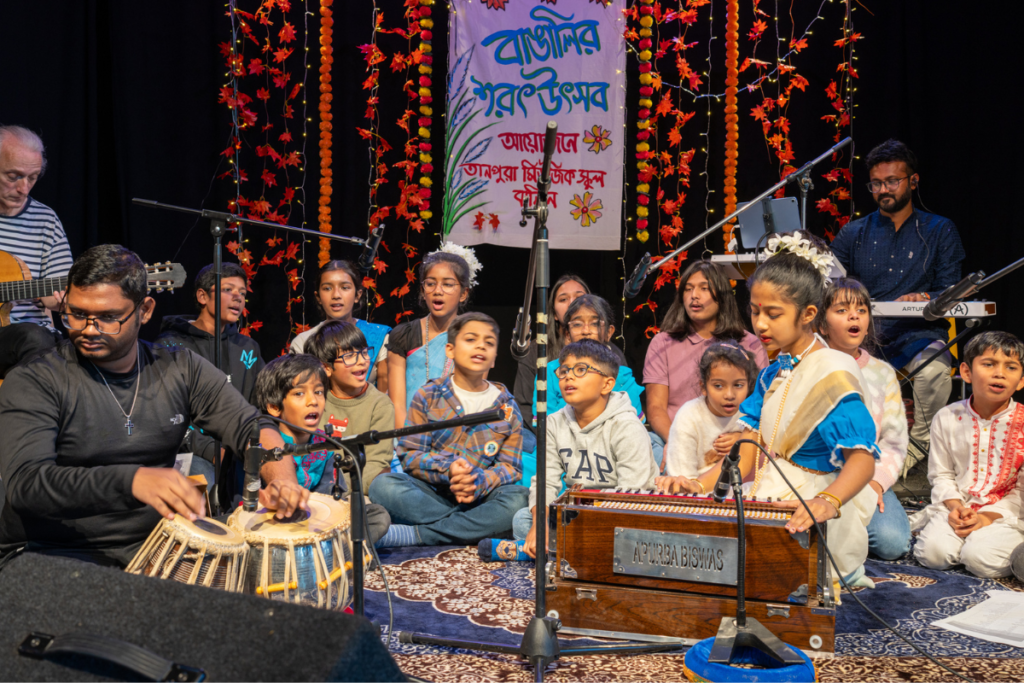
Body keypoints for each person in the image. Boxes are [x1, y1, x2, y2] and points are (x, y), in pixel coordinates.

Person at [0, 245, 306, 568]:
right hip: (49, 550)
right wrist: (133, 481)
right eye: (76, 314)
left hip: (153, 547)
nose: (89, 329)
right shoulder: (36, 378)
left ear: (145, 311)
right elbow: (27, 483)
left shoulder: (180, 368)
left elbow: (250, 426)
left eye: (108, 318)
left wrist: (283, 481)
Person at [657, 231, 879, 587]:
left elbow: (863, 460)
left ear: (808, 314)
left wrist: (827, 501)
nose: (759, 324)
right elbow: (745, 458)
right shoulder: (773, 373)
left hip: (811, 505)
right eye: (755, 311)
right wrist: (697, 485)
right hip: (771, 492)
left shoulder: (832, 371)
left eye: (773, 314)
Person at [830, 140, 966, 468]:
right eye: (876, 184)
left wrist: (927, 298)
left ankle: (916, 449)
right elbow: (830, 283)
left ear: (913, 181)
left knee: (934, 371)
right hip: (863, 333)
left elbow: (952, 289)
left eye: (892, 181)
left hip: (918, 332)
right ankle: (853, 448)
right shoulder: (854, 232)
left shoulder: (939, 229)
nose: (883, 190)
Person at [370, 312, 529, 546]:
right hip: (432, 493)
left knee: (519, 500)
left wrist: (478, 480)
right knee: (382, 486)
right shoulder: (428, 395)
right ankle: (469, 527)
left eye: (489, 343)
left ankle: (417, 535)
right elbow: (410, 455)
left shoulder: (506, 406)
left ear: (494, 358)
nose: (480, 347)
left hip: (480, 496)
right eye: (471, 339)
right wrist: (450, 470)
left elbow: (510, 467)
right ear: (450, 350)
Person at [515, 339, 659, 558]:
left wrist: (584, 523)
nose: (568, 377)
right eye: (563, 372)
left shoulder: (627, 426)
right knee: (523, 520)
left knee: (638, 537)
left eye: (581, 370)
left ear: (607, 384)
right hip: (578, 513)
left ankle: (564, 551)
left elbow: (631, 493)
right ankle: (576, 550)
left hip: (625, 514)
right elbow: (546, 482)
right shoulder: (554, 423)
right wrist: (540, 524)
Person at [912, 332, 1024, 578]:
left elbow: (1021, 492)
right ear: (966, 372)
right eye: (988, 364)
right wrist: (956, 508)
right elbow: (941, 474)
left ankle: (983, 543)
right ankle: (961, 536)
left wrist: (986, 518)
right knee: (934, 555)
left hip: (1006, 514)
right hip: (957, 508)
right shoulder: (947, 416)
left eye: (1011, 367)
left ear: (1021, 380)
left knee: (980, 560)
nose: (1000, 373)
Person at [816, 278, 912, 560]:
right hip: (820, 475)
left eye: (861, 309)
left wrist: (875, 484)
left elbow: (894, 443)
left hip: (867, 475)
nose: (854, 315)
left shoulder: (883, 373)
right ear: (822, 324)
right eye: (842, 310)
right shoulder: (810, 366)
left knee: (892, 544)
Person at [253, 353, 390, 545]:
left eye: (318, 392)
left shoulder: (325, 444)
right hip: (276, 523)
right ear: (275, 407)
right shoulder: (266, 444)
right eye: (299, 393)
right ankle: (338, 555)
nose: (313, 401)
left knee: (377, 515)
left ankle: (341, 556)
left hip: (318, 519)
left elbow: (335, 497)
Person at [644, 260, 768, 466]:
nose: (694, 295)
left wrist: (744, 438)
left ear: (722, 295)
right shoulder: (662, 343)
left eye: (704, 288)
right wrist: (676, 441)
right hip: (677, 435)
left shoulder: (750, 343)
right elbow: (656, 407)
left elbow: (763, 404)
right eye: (688, 289)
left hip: (732, 438)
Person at [154, 262, 266, 488]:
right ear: (203, 296)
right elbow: (165, 414)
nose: (238, 297)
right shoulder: (170, 346)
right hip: (191, 452)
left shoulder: (248, 348)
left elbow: (260, 404)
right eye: (228, 290)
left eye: (242, 293)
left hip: (238, 449)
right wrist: (210, 450)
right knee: (208, 480)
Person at [529, 294, 646, 478]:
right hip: (561, 451)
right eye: (577, 324)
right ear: (567, 334)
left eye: (595, 323)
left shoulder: (622, 375)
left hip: (609, 454)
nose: (586, 330)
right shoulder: (550, 372)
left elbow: (635, 423)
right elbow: (546, 425)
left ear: (609, 331)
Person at [0, 125, 73, 377]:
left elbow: (59, 297)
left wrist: (63, 299)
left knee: (40, 337)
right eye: (13, 176)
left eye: (32, 178)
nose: (24, 188)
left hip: (29, 339)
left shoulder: (46, 220)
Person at [387, 244, 479, 430]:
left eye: (447, 284)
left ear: (463, 293)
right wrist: (410, 446)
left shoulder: (475, 338)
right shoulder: (403, 335)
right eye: (431, 283)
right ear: (422, 290)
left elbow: (474, 400)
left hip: (457, 437)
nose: (438, 291)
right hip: (407, 436)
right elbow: (397, 404)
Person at [306, 319, 395, 494]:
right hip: (317, 488)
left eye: (364, 352)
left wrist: (337, 487)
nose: (361, 361)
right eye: (349, 356)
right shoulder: (315, 401)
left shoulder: (380, 405)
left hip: (359, 490)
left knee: (387, 488)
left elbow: (377, 465)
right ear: (326, 368)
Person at [289, 260, 391, 390]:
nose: (336, 295)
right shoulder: (303, 342)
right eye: (327, 288)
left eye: (345, 287)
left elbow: (385, 397)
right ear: (318, 297)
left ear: (357, 295)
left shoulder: (380, 337)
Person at [662, 343, 758, 480]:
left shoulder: (751, 415)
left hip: (746, 491)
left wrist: (745, 440)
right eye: (718, 386)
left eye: (738, 385)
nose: (730, 395)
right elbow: (683, 479)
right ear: (704, 387)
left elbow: (768, 457)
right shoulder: (688, 417)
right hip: (700, 493)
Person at [512, 273, 590, 436]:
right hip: (546, 436)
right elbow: (524, 406)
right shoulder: (536, 351)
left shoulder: (609, 352)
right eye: (563, 299)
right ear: (554, 314)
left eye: (579, 297)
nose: (572, 303)